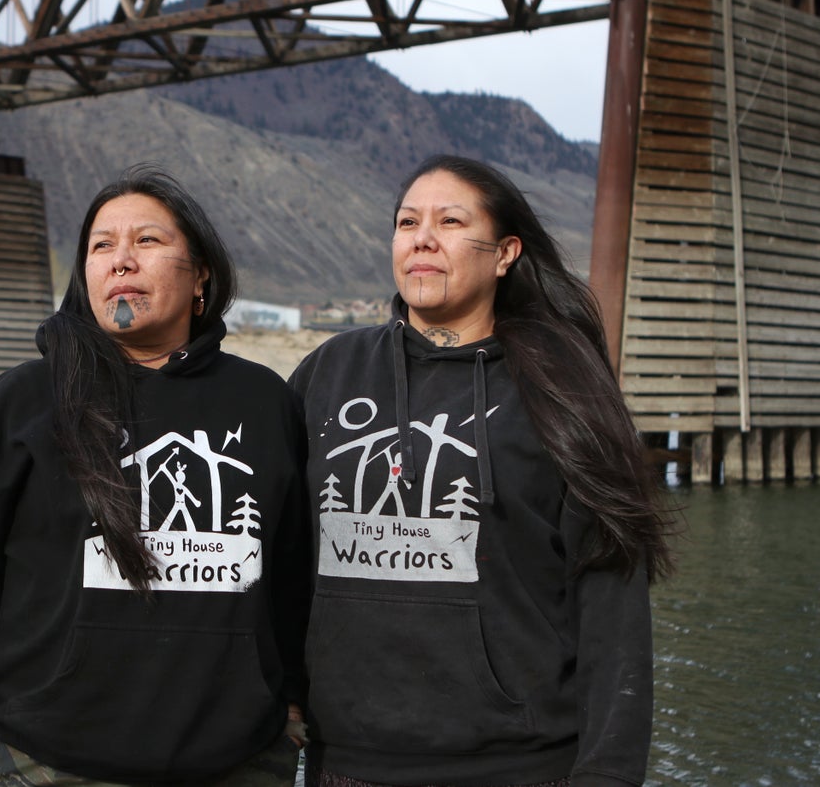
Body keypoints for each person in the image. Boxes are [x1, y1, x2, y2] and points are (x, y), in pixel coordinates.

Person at [288, 155, 676, 787]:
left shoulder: (564, 390)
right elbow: (282, 556)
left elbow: (610, 595)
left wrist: (607, 771)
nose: (422, 237)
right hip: (348, 765)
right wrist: (281, 688)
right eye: (407, 221)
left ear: (505, 253)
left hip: (518, 766)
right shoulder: (327, 374)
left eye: (450, 221)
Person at [0, 166, 310, 785]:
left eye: (147, 241)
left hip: (235, 764)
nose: (120, 261)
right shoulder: (24, 402)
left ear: (201, 272)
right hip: (37, 763)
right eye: (102, 246)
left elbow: (291, 579)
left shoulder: (263, 403)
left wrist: (285, 712)